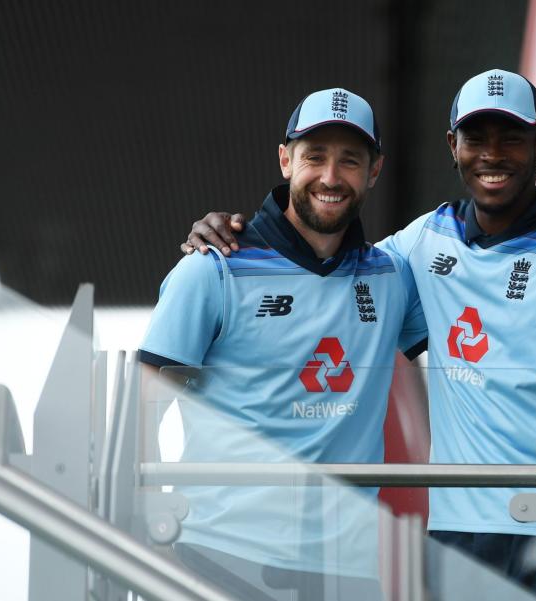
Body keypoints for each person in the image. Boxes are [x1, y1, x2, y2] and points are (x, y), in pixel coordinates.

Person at [182, 69, 536, 601]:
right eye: (476, 137)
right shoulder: (424, 239)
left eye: (512, 137)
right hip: (452, 536)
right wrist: (233, 236)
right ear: (453, 145)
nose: (492, 154)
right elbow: (322, 281)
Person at [139, 88, 429, 600]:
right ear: (285, 159)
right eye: (314, 157)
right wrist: (150, 531)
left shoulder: (392, 277)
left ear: (375, 170)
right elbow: (136, 412)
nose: (331, 177)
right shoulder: (212, 270)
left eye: (350, 161)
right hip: (217, 557)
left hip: (350, 572)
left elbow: (490, 288)